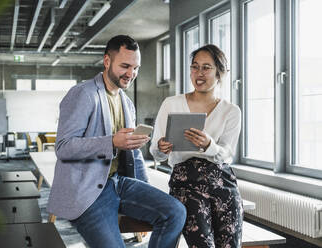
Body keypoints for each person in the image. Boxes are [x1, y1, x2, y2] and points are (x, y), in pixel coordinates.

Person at [47, 35, 186, 248]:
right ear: (107, 61)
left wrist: (145, 191)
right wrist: (111, 141)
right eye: (125, 66)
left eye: (136, 68)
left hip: (118, 183)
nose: (131, 74)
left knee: (175, 212)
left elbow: (134, 154)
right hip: (88, 192)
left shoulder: (127, 103)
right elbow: (64, 147)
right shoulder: (83, 94)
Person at [150, 44, 243, 248]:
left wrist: (210, 145)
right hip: (186, 182)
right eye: (194, 67)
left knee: (230, 245)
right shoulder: (171, 103)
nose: (199, 73)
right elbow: (155, 153)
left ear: (220, 73)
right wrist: (161, 148)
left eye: (206, 68)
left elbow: (227, 154)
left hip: (222, 182)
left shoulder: (231, 111)